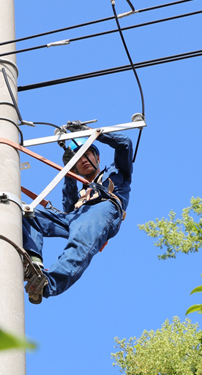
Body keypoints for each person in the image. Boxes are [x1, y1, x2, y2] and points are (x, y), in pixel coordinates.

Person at [22, 121, 133, 303]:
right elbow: (68, 210)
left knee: (80, 241)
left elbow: (125, 144)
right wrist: (68, 174)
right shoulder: (81, 192)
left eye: (86, 154)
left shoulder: (116, 172)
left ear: (97, 157)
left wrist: (89, 132)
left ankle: (47, 284)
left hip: (102, 210)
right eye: (77, 160)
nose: (82, 160)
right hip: (75, 217)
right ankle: (34, 263)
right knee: (28, 214)